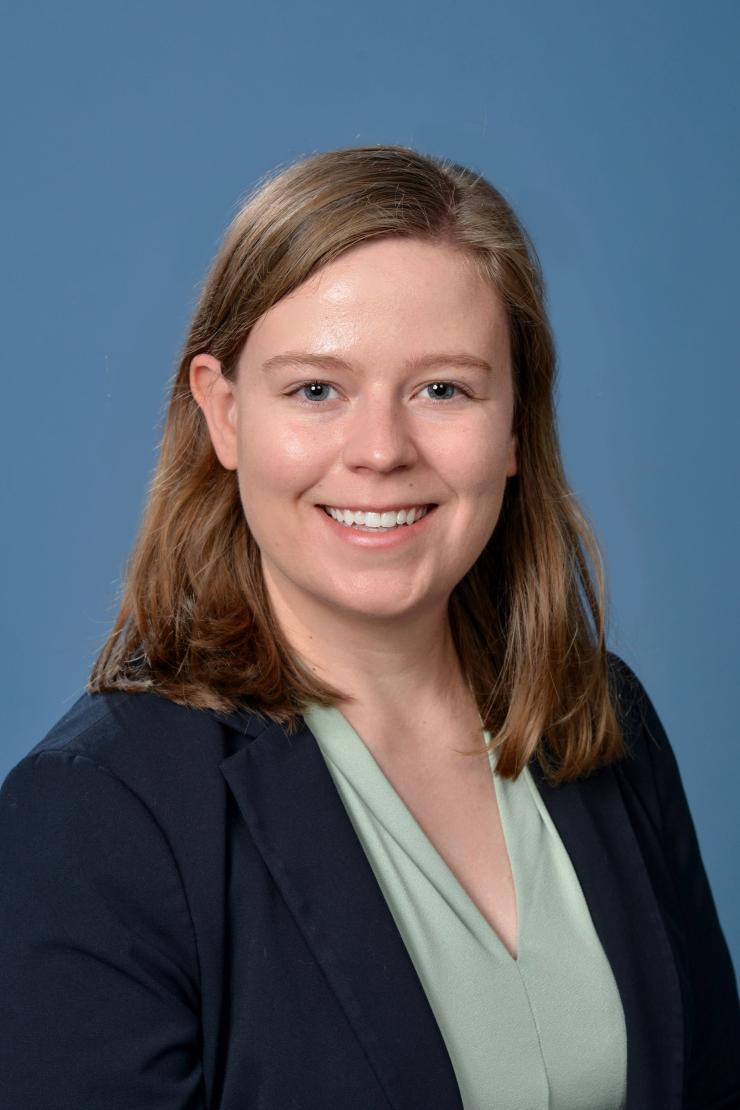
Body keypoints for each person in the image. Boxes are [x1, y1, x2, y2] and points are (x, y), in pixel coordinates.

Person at [0, 145, 737, 1110]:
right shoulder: (95, 817)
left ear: (516, 423)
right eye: (317, 390)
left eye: (443, 389)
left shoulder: (600, 720)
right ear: (224, 415)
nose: (382, 451)